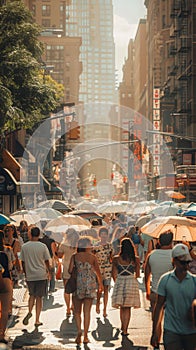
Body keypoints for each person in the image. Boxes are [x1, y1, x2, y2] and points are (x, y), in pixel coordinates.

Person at [151, 243, 196, 350]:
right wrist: (155, 332)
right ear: (174, 261)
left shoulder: (194, 281)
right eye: (182, 262)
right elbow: (159, 307)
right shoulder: (165, 280)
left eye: (188, 262)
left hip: (191, 331)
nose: (186, 266)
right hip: (171, 331)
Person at [68, 236, 103, 344]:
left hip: (78, 285)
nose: (91, 246)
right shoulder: (92, 257)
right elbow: (98, 272)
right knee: (87, 312)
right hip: (90, 285)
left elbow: (69, 270)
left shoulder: (74, 256)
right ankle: (86, 336)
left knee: (77, 312)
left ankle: (79, 331)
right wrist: (100, 284)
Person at [144, 231, 173, 345]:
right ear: (171, 241)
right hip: (172, 292)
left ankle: (156, 338)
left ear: (159, 241)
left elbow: (147, 276)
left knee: (156, 319)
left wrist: (148, 291)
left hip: (155, 291)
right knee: (171, 320)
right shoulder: (174, 255)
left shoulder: (151, 255)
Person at [20, 226, 51, 328]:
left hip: (30, 275)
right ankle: (37, 320)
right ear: (38, 235)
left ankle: (29, 311)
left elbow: (23, 262)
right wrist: (49, 271)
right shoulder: (42, 246)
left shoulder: (25, 246)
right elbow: (47, 260)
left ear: (30, 234)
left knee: (31, 295)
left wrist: (25, 274)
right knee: (39, 298)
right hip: (41, 275)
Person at [111, 237, 140, 337]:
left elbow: (113, 273)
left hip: (120, 281)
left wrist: (117, 282)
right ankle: (125, 329)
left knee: (122, 307)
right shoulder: (136, 259)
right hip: (131, 281)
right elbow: (138, 274)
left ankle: (122, 326)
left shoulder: (116, 259)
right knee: (128, 308)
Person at [57, 228, 79, 316]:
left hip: (66, 266)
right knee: (75, 288)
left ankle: (68, 308)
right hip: (77, 266)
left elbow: (59, 255)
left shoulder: (64, 243)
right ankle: (73, 305)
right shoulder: (78, 243)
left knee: (66, 288)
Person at [93, 226, 113, 317]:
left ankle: (105, 309)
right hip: (98, 269)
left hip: (108, 269)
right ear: (99, 235)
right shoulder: (96, 246)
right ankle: (97, 303)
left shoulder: (110, 246)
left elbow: (112, 257)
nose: (104, 236)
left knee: (106, 289)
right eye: (102, 234)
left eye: (105, 234)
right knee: (99, 289)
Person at [0, 232, 12, 344]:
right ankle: (1, 334)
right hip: (5, 281)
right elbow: (9, 267)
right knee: (4, 311)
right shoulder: (4, 254)